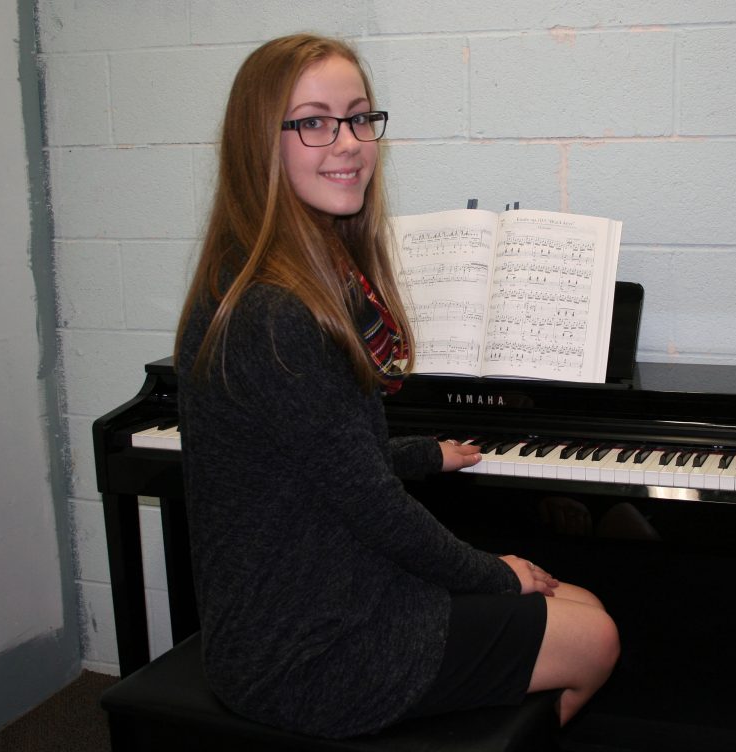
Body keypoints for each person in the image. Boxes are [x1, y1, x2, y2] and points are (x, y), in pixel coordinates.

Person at [173, 33, 619, 741]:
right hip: (305, 650)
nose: (346, 142)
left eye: (359, 117)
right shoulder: (276, 314)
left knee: (582, 604)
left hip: (322, 593)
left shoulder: (297, 272)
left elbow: (320, 460)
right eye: (314, 121)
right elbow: (369, 504)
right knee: (596, 639)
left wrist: (422, 455)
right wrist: (492, 573)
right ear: (262, 141)